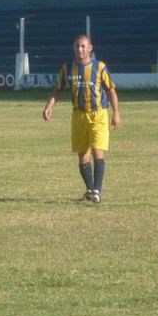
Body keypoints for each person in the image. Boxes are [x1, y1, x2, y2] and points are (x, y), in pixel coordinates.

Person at [43, 35, 121, 203]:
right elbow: (58, 89)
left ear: (90, 47)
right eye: (77, 46)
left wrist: (116, 113)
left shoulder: (99, 67)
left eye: (83, 46)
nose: (80, 49)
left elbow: (111, 90)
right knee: (82, 157)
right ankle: (90, 190)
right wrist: (49, 106)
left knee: (97, 151)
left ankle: (97, 191)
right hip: (78, 116)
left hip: (98, 114)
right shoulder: (67, 67)